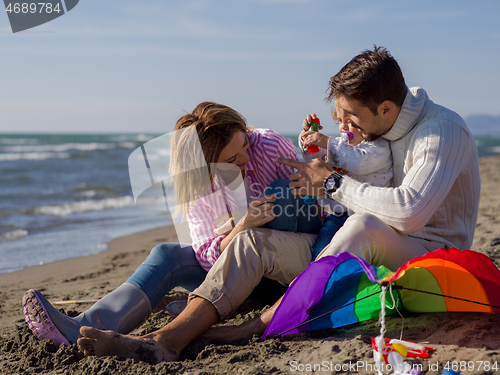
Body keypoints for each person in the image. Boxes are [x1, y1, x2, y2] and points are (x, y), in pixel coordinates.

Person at [75, 46, 480, 364]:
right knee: (248, 243)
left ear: (386, 109)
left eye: (351, 119)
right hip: (343, 248)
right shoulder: (381, 129)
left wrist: (331, 182)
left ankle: (252, 327)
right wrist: (319, 171)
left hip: (428, 254)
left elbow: (409, 212)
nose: (345, 128)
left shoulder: (440, 132)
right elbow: (354, 172)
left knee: (363, 226)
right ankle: (168, 338)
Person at [23, 102, 321, 347]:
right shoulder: (199, 183)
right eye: (232, 158)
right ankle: (87, 325)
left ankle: (244, 300)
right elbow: (207, 254)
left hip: (290, 260)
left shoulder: (267, 144)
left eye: (244, 142)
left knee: (282, 191)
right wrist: (242, 225)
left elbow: (313, 200)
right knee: (168, 254)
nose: (245, 156)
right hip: (238, 266)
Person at [299, 109, 393, 259]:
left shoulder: (378, 147)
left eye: (350, 123)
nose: (343, 127)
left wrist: (328, 142)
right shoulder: (341, 144)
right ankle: (320, 275)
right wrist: (308, 138)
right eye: (340, 121)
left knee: (354, 254)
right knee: (321, 250)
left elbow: (359, 161)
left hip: (368, 221)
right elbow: (315, 158)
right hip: (337, 216)